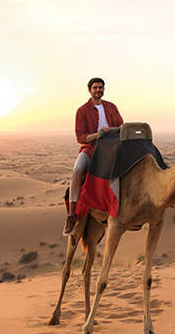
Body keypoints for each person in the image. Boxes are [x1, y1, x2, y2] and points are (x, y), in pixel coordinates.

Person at [64, 77, 124, 235]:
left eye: (101, 87)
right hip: (90, 149)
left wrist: (120, 128)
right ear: (90, 90)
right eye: (95, 88)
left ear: (104, 89)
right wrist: (98, 134)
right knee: (77, 169)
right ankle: (72, 214)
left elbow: (121, 125)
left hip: (111, 148)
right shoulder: (82, 111)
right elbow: (81, 137)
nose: (98, 90)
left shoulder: (111, 107)